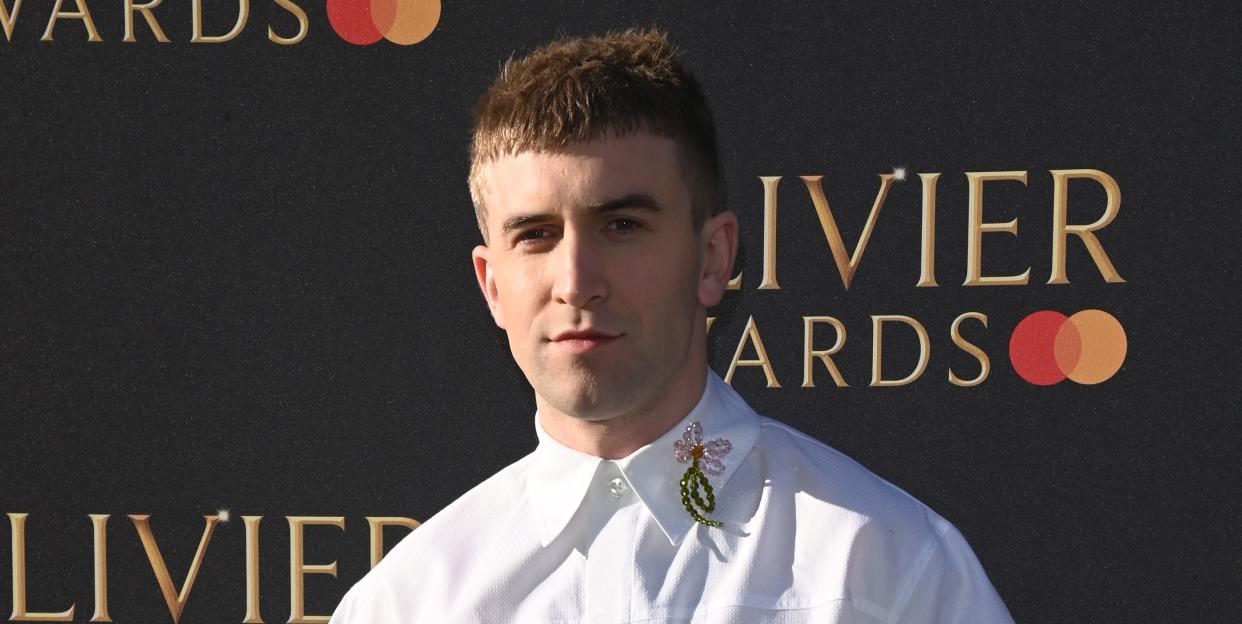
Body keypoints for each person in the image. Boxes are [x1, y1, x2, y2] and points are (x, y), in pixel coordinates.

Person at [330, 28, 1014, 624]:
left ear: (713, 258)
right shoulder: (407, 603)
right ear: (491, 285)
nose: (575, 281)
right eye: (536, 235)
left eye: (622, 226)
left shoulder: (882, 569)